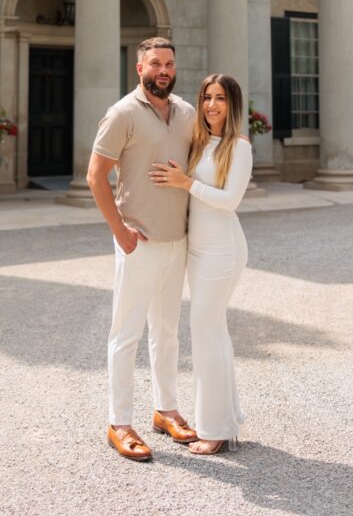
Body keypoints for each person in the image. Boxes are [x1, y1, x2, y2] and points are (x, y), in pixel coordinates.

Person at [86, 37, 198, 462]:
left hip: (177, 241)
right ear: (140, 69)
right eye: (155, 63)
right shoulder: (123, 114)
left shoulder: (186, 113)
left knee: (167, 333)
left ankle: (166, 411)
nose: (164, 70)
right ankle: (120, 423)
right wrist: (120, 231)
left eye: (169, 63)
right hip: (139, 243)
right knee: (126, 335)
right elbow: (95, 176)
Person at [150, 73, 252, 455]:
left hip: (222, 250)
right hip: (196, 248)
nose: (211, 105)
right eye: (207, 97)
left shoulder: (238, 147)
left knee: (205, 330)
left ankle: (215, 429)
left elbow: (229, 201)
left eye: (220, 98)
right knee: (212, 331)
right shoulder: (198, 142)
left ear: (233, 104)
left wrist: (185, 183)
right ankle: (226, 418)